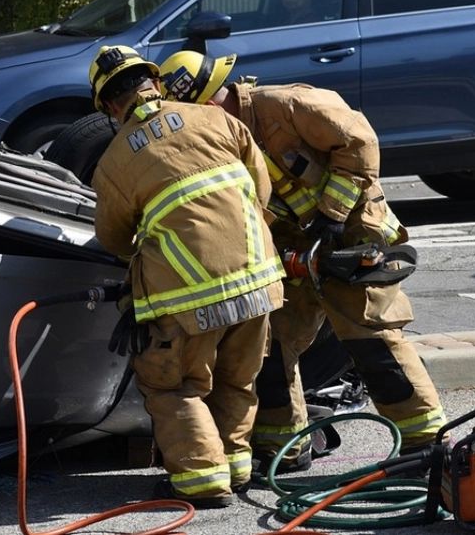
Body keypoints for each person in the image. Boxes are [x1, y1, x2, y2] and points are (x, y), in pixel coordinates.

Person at [157, 50, 447, 472]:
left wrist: (331, 215)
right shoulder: (221, 141)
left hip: (350, 234)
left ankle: (424, 444)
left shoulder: (286, 106)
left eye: (206, 106)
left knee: (370, 338)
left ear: (219, 94)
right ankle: (286, 449)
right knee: (270, 344)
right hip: (299, 252)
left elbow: (360, 141)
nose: (204, 119)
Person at [88, 45, 286, 508]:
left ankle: (202, 481)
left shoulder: (115, 161)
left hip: (186, 298)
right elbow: (262, 189)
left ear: (110, 107)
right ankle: (237, 469)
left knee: (174, 386)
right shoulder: (215, 119)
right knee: (238, 380)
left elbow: (114, 238)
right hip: (260, 281)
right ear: (153, 83)